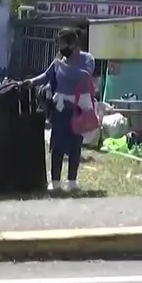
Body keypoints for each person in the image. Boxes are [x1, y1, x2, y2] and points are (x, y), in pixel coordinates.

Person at [28, 27, 95, 191]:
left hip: (79, 109)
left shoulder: (87, 59)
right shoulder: (59, 61)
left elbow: (85, 76)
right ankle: (55, 181)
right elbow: (46, 75)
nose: (60, 48)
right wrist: (29, 82)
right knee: (57, 145)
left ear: (72, 44)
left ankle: (72, 181)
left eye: (62, 44)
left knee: (75, 145)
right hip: (60, 108)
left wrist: (64, 67)